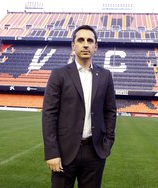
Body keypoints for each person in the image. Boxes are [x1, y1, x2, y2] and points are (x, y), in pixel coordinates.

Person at [42, 25, 117, 188]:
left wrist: (108, 142)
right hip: (64, 152)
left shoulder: (105, 76)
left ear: (95, 47)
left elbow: (110, 111)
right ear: (73, 45)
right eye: (80, 40)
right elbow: (49, 114)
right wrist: (52, 152)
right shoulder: (58, 74)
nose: (85, 44)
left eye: (90, 41)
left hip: (94, 152)